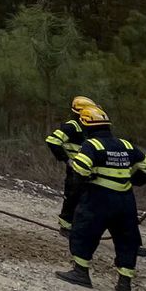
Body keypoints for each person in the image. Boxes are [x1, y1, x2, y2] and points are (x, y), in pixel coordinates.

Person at [54, 104, 146, 291]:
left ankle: (81, 273)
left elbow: (81, 169)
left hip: (98, 199)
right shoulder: (126, 145)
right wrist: (130, 181)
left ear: (86, 127)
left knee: (84, 233)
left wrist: (83, 186)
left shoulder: (92, 145)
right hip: (126, 201)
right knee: (127, 240)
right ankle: (124, 284)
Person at [45, 96, 100, 236]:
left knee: (87, 199)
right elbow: (52, 140)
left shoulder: (88, 127)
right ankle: (66, 227)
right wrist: (66, 159)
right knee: (72, 197)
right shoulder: (72, 126)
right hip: (75, 169)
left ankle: (80, 226)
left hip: (87, 169)